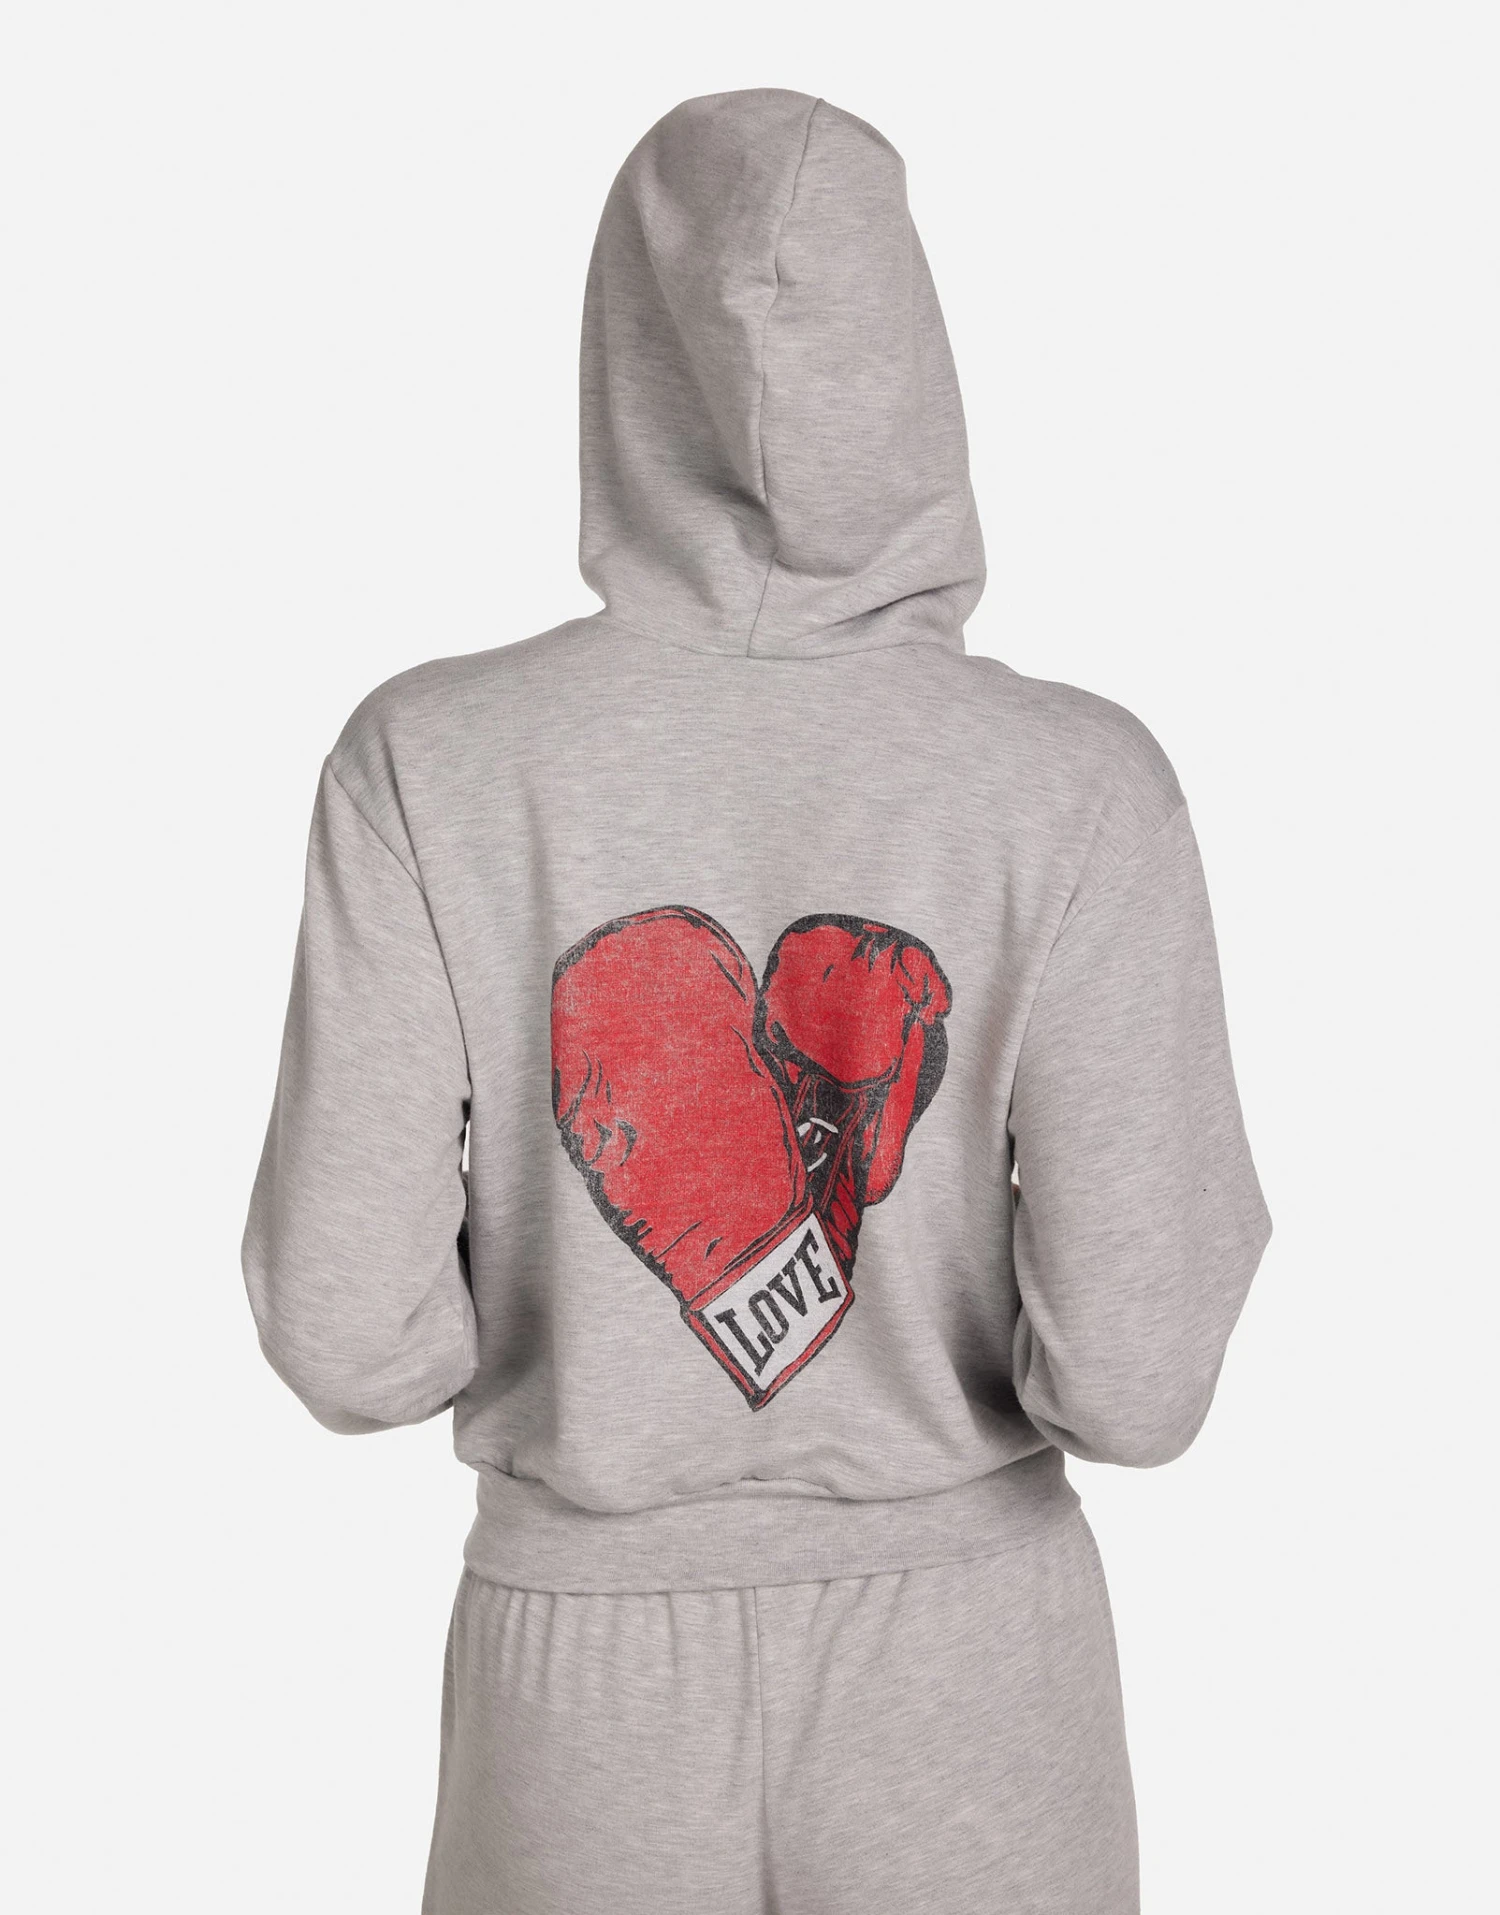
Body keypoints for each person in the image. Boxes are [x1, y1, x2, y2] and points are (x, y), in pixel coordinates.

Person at [244, 87, 1270, 1915]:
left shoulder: (429, 760)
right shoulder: (1079, 787)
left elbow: (345, 1332)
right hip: (972, 1676)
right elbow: (1138, 1379)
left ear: (625, 370)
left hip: (577, 1685)